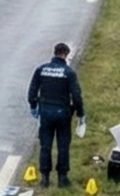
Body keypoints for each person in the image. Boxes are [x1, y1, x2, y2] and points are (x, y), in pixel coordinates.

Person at [26, 41, 86, 187]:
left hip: (45, 112)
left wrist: (34, 106)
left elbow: (32, 91)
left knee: (45, 145)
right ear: (66, 54)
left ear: (54, 53)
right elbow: (76, 95)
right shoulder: (69, 73)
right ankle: (62, 178)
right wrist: (80, 112)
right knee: (63, 145)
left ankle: (45, 178)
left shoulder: (41, 69)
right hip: (63, 113)